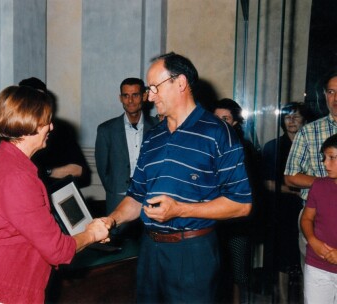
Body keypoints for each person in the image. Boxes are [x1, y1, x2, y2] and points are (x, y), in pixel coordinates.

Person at [102, 52, 252, 303]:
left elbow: (241, 205)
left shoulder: (218, 133)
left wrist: (179, 210)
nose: (149, 97)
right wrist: (110, 221)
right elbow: (136, 197)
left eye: (154, 88)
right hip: (150, 250)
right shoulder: (153, 137)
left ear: (180, 83)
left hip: (193, 252)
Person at [0, 86, 109, 304]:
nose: (51, 127)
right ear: (30, 124)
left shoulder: (6, 159)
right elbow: (57, 251)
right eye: (46, 121)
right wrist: (92, 234)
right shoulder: (16, 176)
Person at [0, 77, 91, 188]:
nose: (50, 127)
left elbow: (81, 171)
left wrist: (47, 171)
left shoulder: (62, 130)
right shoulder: (7, 137)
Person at [284, 70, 337, 266]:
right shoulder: (309, 131)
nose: (336, 98)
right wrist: (327, 184)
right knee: (317, 286)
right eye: (331, 92)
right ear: (324, 95)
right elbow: (290, 176)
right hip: (315, 218)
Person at [95, 77, 158, 237]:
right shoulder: (106, 130)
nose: (130, 100)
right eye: (125, 95)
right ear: (120, 98)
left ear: (144, 96)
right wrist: (114, 189)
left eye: (135, 95)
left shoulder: (158, 127)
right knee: (117, 247)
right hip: (118, 199)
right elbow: (103, 168)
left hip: (151, 199)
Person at [213, 98, 260, 304]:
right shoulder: (206, 145)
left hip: (237, 223)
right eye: (216, 118)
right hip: (211, 222)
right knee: (213, 276)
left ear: (235, 122)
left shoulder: (245, 148)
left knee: (237, 275)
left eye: (225, 118)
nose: (220, 123)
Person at [263, 102, 307, 303]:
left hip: (307, 209)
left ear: (304, 120)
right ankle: (281, 300)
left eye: (296, 117)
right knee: (282, 260)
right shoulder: (273, 147)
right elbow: (267, 183)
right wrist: (293, 191)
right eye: (288, 117)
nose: (291, 121)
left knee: (304, 259)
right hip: (280, 210)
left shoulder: (310, 145)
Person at [300, 133, 337, 304]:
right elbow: (307, 218)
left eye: (331, 158)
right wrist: (313, 240)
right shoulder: (319, 185)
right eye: (324, 157)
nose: (325, 163)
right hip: (318, 264)